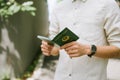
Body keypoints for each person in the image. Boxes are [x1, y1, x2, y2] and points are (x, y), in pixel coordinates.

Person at [41, 0, 120, 80]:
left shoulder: (108, 4)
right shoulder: (59, 7)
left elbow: (118, 49)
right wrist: (50, 49)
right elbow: (56, 49)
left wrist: (87, 49)